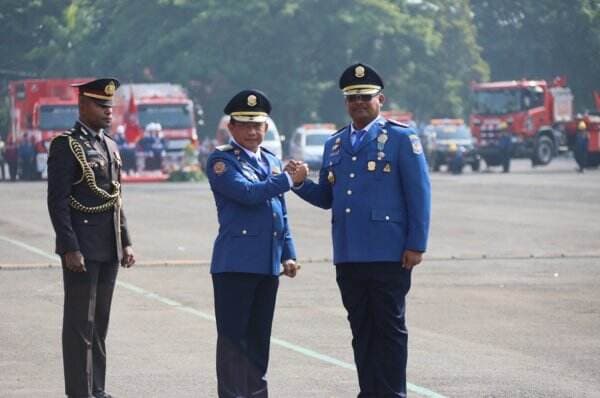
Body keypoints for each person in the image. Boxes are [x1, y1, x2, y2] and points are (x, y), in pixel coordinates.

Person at [287, 63, 431, 398]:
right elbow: (327, 197)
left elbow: (419, 195)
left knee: (390, 329)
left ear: (380, 99)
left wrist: (416, 244)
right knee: (361, 329)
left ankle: (393, 393)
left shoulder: (400, 138)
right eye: (352, 98)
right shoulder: (335, 144)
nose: (358, 103)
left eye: (365, 97)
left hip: (389, 253)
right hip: (349, 254)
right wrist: (298, 184)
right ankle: (369, 392)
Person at [206, 89, 303, 398]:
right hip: (235, 264)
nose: (252, 132)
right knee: (234, 342)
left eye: (258, 125)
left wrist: (288, 253)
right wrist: (287, 180)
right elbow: (248, 193)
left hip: (266, 264)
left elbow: (280, 214)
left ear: (266, 127)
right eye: (245, 125)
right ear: (231, 128)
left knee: (259, 340)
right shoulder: (222, 161)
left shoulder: (272, 161)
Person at [47, 78, 135, 398]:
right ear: (83, 105)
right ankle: (80, 392)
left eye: (110, 106)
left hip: (108, 246)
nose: (108, 112)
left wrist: (125, 240)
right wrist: (69, 246)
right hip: (82, 247)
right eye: (101, 105)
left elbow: (116, 198)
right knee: (79, 326)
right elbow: (57, 202)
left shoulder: (109, 145)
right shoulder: (66, 145)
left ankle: (97, 389)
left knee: (99, 324)